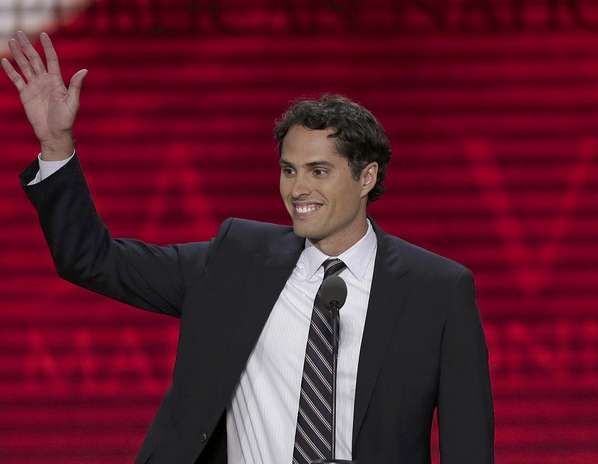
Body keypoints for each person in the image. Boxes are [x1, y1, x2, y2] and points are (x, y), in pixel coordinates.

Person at [3, 30, 495, 464]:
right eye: (288, 170)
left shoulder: (437, 290)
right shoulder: (235, 260)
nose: (297, 189)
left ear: (367, 177)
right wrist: (56, 147)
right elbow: (93, 260)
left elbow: (468, 447)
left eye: (318, 171)